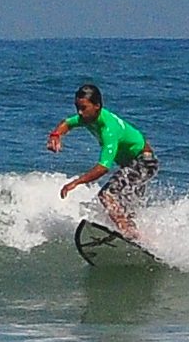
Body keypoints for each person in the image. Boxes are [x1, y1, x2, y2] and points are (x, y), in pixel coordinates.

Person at [47, 83, 158, 238]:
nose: (79, 112)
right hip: (134, 163)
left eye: (83, 108)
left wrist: (76, 182)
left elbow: (103, 167)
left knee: (106, 195)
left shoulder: (109, 129)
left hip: (144, 162)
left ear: (97, 106)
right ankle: (140, 239)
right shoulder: (87, 117)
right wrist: (55, 135)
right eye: (77, 107)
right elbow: (67, 123)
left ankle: (129, 235)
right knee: (125, 208)